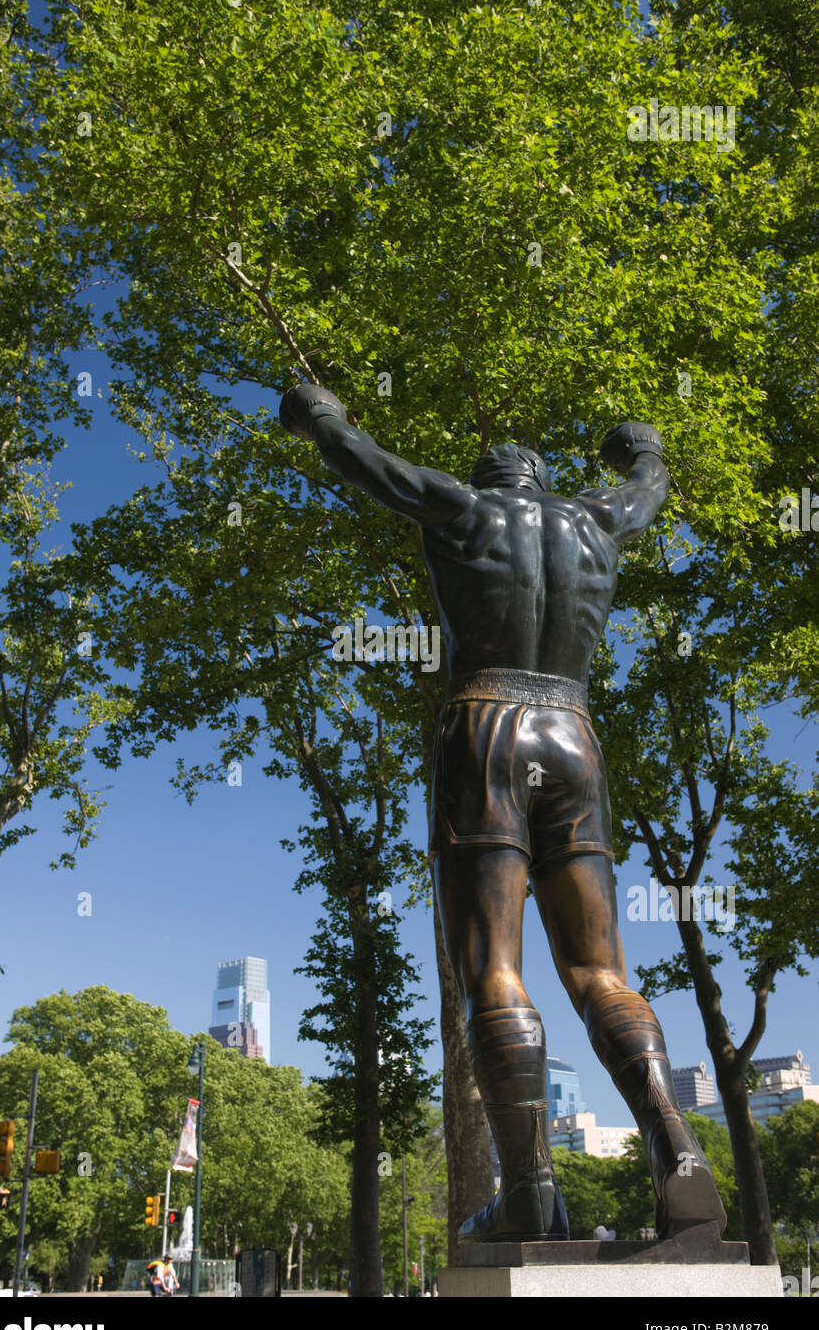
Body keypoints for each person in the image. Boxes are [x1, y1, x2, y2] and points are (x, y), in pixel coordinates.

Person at [279, 385, 727, 1244]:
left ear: (494, 479)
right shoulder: (597, 520)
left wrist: (320, 415)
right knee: (602, 974)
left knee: (493, 969)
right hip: (576, 732)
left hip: (486, 723)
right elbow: (649, 488)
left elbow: (375, 470)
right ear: (546, 481)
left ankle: (527, 1192)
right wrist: (642, 444)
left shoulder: (462, 506)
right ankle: (678, 1148)